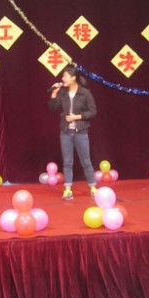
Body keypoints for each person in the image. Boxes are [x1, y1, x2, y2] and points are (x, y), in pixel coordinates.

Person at [48, 66, 98, 200]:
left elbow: (93, 111)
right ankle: (68, 190)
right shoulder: (63, 92)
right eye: (63, 76)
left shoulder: (85, 93)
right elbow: (52, 107)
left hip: (80, 131)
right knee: (68, 162)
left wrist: (77, 117)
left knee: (86, 161)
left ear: (73, 78)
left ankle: (93, 188)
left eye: (65, 76)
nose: (63, 79)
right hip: (65, 132)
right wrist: (54, 93)